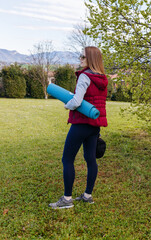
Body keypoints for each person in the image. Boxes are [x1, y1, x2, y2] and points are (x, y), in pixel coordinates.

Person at [49, 46, 108, 209]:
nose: (80, 59)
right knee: (90, 159)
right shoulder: (102, 78)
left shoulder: (85, 76)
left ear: (91, 59)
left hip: (81, 124)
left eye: (83, 56)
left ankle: (67, 200)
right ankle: (87, 195)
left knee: (67, 159)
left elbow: (76, 101)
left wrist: (67, 105)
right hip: (95, 125)